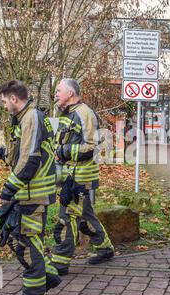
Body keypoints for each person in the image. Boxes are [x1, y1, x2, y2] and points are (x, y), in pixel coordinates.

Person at [0, 80, 61, 295]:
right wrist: (0, 152)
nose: (3, 105)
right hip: (27, 193)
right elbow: (22, 153)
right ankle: (49, 276)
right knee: (21, 240)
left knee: (26, 243)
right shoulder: (24, 118)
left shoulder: (32, 118)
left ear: (14, 98)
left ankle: (34, 293)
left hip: (33, 194)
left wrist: (9, 188)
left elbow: (30, 159)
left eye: (4, 101)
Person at [50, 78, 114, 276]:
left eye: (59, 90)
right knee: (85, 216)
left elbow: (90, 147)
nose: (56, 94)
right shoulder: (65, 112)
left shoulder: (85, 113)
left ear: (70, 93)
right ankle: (105, 249)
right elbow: (58, 138)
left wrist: (63, 150)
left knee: (67, 216)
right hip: (69, 174)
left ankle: (60, 263)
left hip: (80, 177)